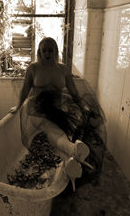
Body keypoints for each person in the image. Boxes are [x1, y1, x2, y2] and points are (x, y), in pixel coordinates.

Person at [10, 37, 105, 191]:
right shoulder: (33, 68)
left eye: (50, 50)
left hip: (57, 111)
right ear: (40, 52)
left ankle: (70, 165)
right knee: (52, 131)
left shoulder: (63, 69)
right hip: (37, 110)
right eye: (44, 50)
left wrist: (82, 106)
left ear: (55, 51)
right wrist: (18, 106)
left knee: (60, 134)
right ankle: (72, 149)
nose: (47, 53)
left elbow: (73, 91)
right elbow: (25, 89)